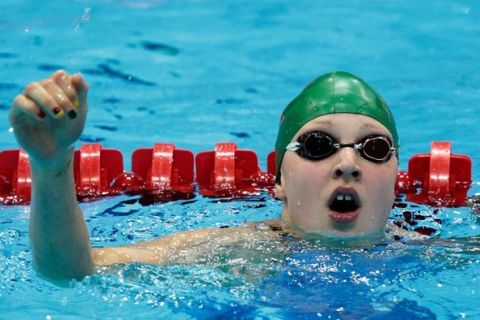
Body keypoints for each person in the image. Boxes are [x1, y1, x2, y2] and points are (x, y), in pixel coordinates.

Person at [9, 70, 399, 280]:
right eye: (318, 145)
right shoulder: (233, 253)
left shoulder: (442, 255)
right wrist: (52, 164)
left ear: (396, 177)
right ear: (279, 180)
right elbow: (72, 271)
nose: (347, 163)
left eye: (374, 149)